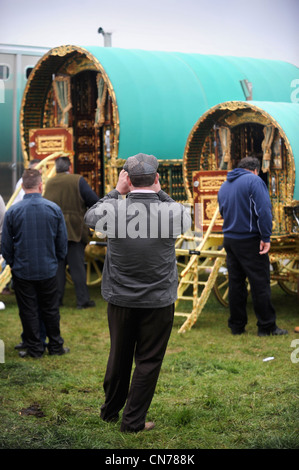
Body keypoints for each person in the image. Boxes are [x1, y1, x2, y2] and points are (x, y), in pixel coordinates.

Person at [84, 153, 192, 432]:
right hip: (158, 300)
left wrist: (115, 192)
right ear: (156, 179)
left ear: (127, 180)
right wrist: (160, 192)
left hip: (121, 298)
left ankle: (110, 411)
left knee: (119, 354)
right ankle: (132, 421)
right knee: (149, 360)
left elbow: (90, 216)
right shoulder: (173, 211)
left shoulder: (113, 210)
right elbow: (186, 216)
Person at [1, 169, 69, 358]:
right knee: (51, 309)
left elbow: (6, 244)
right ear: (41, 185)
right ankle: (55, 346)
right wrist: (56, 260)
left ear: (22, 187)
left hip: (23, 269)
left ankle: (35, 348)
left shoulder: (13, 211)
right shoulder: (53, 209)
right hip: (48, 268)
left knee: (28, 310)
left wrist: (13, 262)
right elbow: (62, 242)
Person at [217, 155, 288, 337]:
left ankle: (237, 326)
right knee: (260, 283)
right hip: (249, 239)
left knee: (236, 283)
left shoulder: (225, 185)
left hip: (230, 238)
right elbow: (263, 210)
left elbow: (222, 211)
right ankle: (266, 326)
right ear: (256, 170)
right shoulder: (254, 181)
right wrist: (266, 236)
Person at [43, 157, 99, 309]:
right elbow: (94, 201)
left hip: (54, 230)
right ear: (70, 166)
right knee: (77, 267)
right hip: (75, 230)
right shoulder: (78, 180)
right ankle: (82, 301)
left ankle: (57, 300)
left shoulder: (49, 183)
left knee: (58, 268)